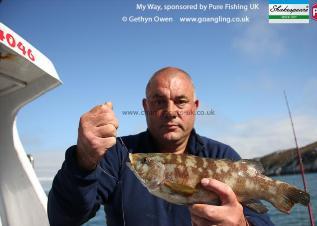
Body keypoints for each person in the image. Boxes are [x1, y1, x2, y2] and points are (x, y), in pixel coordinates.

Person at [48, 67, 274, 226]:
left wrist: (241, 224)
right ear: (145, 107)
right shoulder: (119, 153)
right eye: (158, 101)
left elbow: (262, 221)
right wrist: (83, 161)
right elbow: (63, 219)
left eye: (181, 101)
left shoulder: (222, 155)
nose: (170, 110)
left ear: (195, 107)